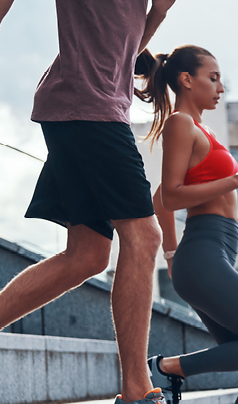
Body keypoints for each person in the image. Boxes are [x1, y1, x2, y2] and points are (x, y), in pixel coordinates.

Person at [0, 1, 175, 403]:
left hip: (92, 108)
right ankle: (137, 391)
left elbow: (123, 52)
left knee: (87, 255)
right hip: (87, 108)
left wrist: (159, 13)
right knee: (145, 236)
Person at [134, 45, 238, 404]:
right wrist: (237, 181)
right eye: (214, 78)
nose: (221, 87)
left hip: (213, 254)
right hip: (205, 255)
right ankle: (168, 366)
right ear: (186, 80)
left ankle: (170, 367)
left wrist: (173, 253)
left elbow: (160, 195)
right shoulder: (180, 123)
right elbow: (171, 197)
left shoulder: (200, 130)